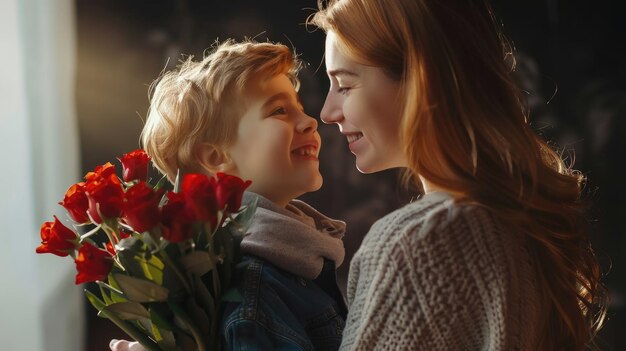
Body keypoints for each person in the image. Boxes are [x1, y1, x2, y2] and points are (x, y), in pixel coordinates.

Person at [309, 0, 606, 350]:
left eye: (344, 84)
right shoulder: (522, 225)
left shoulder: (414, 245)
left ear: (420, 80)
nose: (327, 113)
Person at [110, 40, 347, 351]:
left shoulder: (291, 258)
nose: (309, 121)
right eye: (279, 110)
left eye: (299, 107)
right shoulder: (256, 290)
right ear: (214, 157)